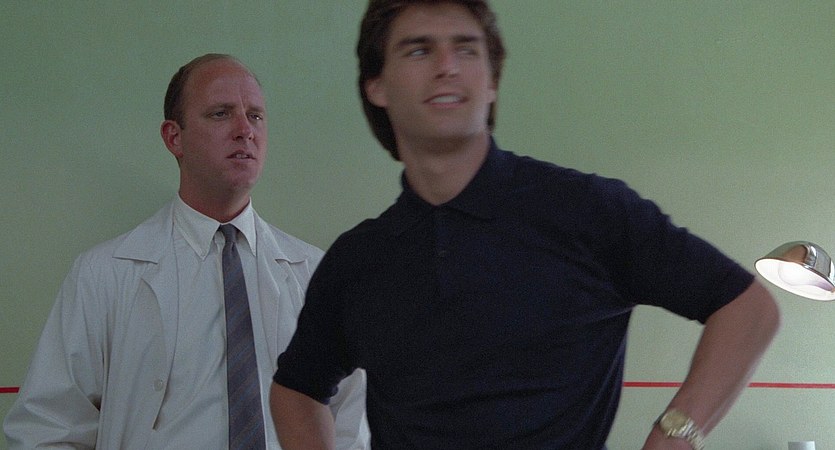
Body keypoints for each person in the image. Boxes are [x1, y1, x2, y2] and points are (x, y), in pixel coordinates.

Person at [269, 1, 780, 449]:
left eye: (467, 49)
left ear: (492, 81)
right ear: (377, 86)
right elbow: (296, 390)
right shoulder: (358, 260)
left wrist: (675, 436)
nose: (447, 66)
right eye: (419, 50)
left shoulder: (587, 211)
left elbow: (748, 309)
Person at [4, 54, 369, 449]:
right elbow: (48, 429)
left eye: (256, 116)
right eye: (221, 113)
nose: (245, 130)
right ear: (174, 137)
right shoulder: (103, 274)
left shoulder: (315, 274)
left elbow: (351, 425)